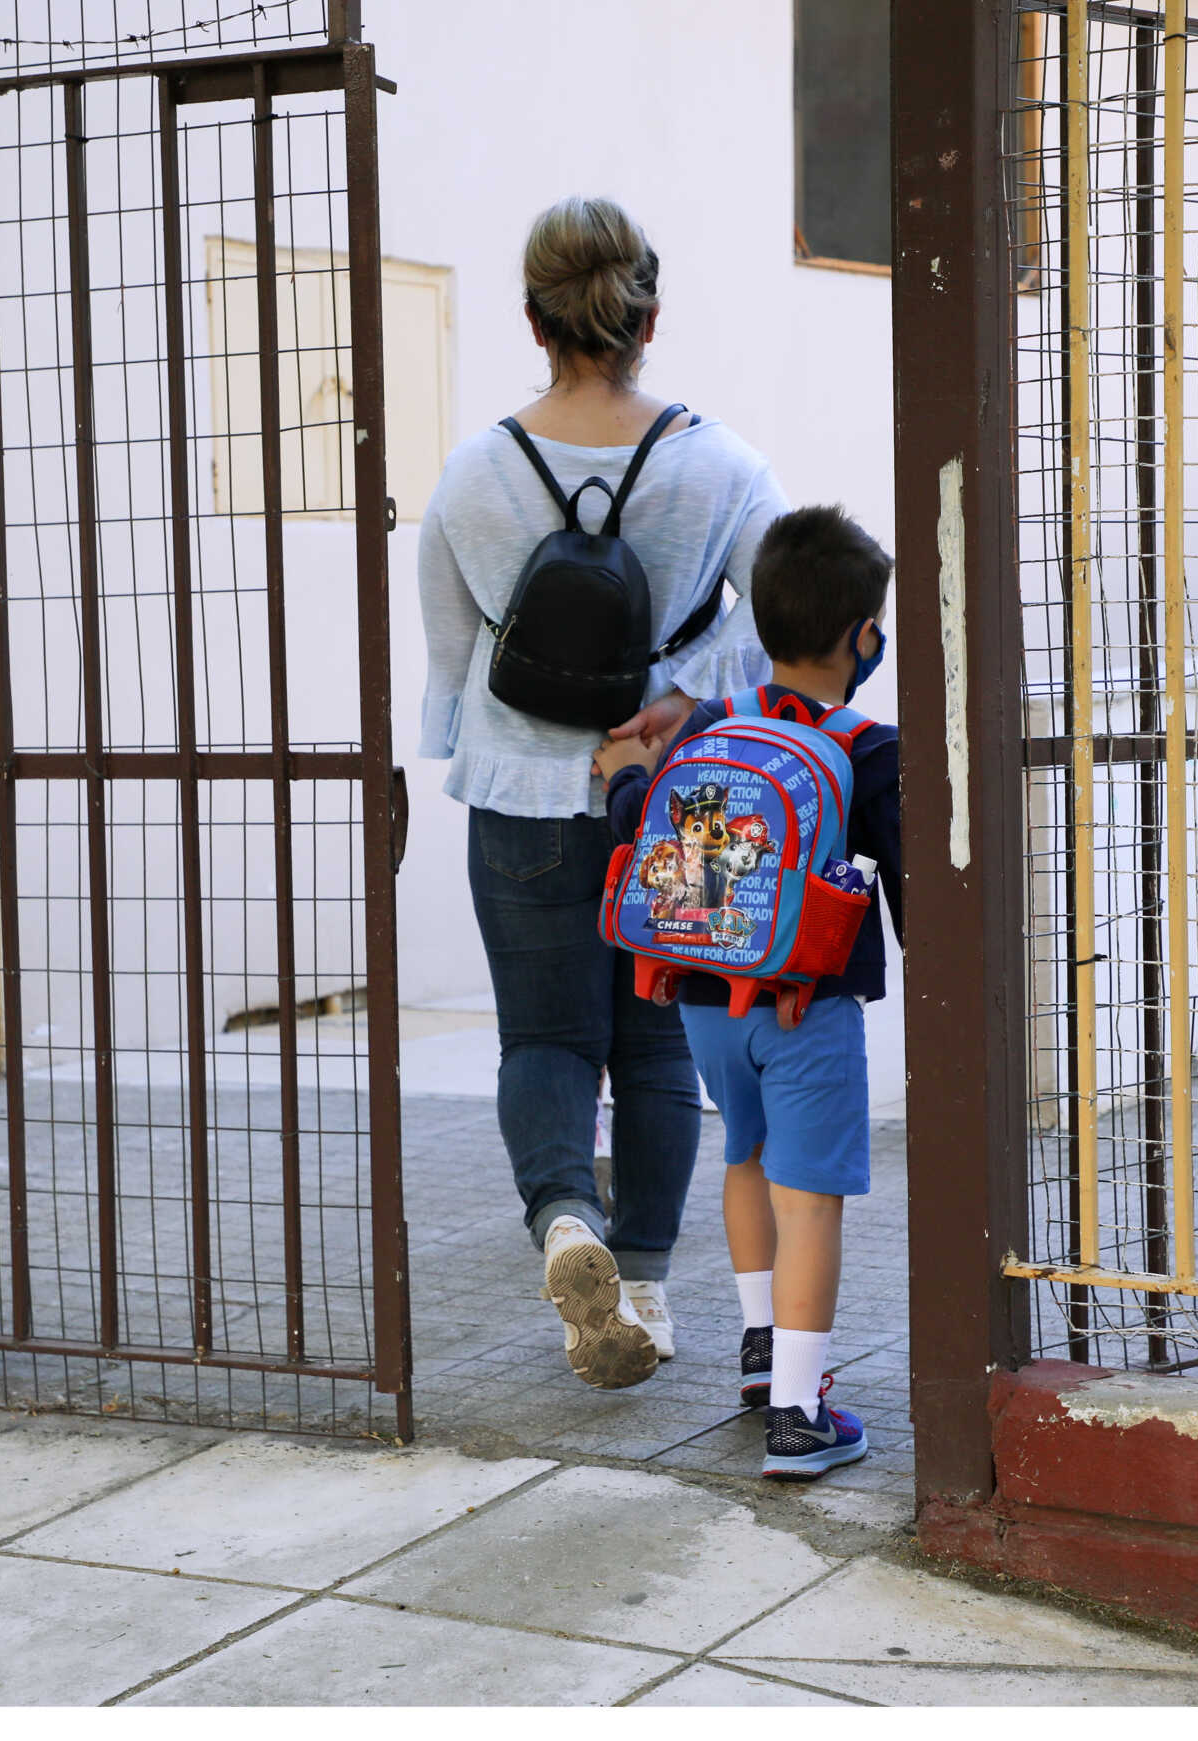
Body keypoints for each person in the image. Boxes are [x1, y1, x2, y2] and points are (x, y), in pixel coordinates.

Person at [416, 197, 786, 1390]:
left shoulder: (473, 474)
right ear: (649, 317)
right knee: (661, 1051)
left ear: (532, 321)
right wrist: (683, 694)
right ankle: (646, 1286)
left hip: (521, 793)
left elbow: (449, 657)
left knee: (544, 1037)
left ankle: (565, 1221)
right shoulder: (722, 466)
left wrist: (494, 745)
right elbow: (787, 633)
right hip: (682, 800)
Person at [596, 506, 899, 1479]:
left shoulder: (718, 723)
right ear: (863, 636)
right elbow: (909, 881)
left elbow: (645, 826)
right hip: (804, 1010)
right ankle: (802, 1417)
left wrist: (623, 781)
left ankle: (763, 1348)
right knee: (811, 1202)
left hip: (701, 1001)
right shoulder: (868, 748)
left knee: (746, 1156)